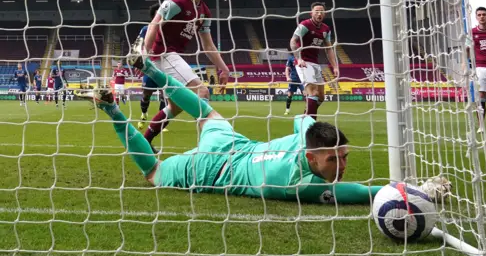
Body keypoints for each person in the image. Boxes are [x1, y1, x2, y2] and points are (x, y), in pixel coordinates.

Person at [76, 53, 396, 204]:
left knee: (204, 109)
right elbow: (358, 192)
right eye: (333, 160)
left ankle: (144, 71)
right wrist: (396, 191)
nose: (341, 166)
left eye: (343, 157)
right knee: (154, 173)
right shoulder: (298, 185)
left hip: (237, 146)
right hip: (214, 172)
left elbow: (304, 120)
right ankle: (113, 107)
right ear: (311, 159)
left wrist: (309, 119)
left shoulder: (307, 134)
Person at [141, 0, 229, 147]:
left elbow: (207, 44)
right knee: (202, 91)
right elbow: (154, 24)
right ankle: (208, 148)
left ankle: (145, 140)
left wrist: (224, 68)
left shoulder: (205, 12)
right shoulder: (176, 1)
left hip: (170, 56)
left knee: (176, 106)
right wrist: (144, 54)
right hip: (162, 54)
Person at [289, 2, 339, 120]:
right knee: (313, 93)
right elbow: (293, 41)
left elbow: (329, 48)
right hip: (304, 63)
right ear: (311, 13)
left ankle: (306, 116)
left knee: (321, 97)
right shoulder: (304, 25)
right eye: (316, 11)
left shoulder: (326, 29)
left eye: (321, 11)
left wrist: (335, 66)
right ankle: (311, 126)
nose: (319, 13)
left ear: (325, 14)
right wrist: (299, 58)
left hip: (315, 63)